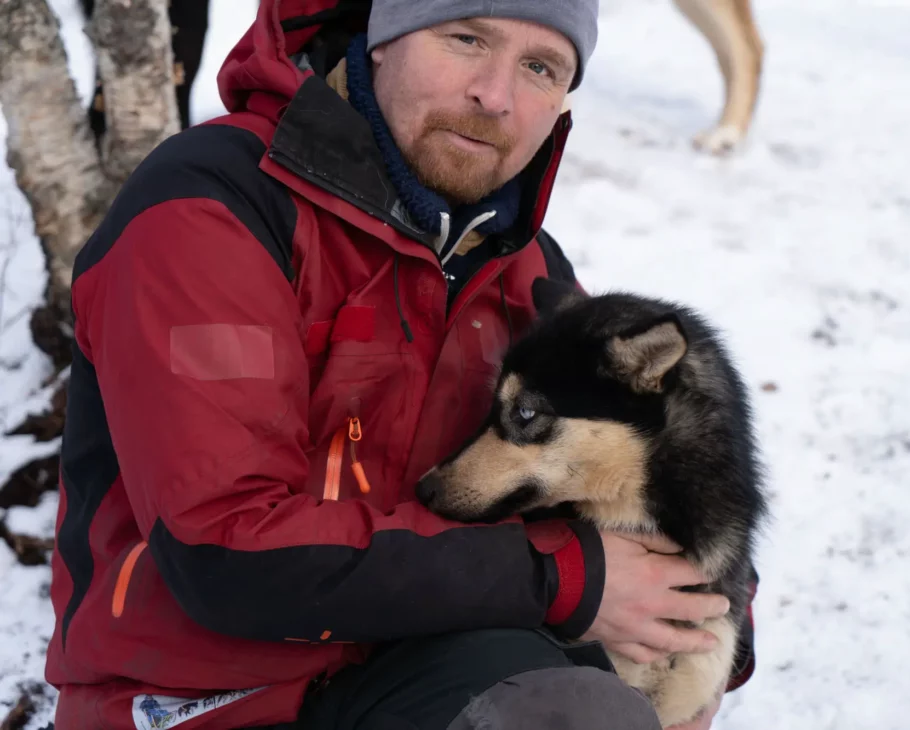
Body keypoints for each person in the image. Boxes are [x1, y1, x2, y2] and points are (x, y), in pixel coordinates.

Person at [43, 1, 759, 728]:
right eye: (466, 37)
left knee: (575, 711)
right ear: (379, 41)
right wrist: (565, 576)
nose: (495, 93)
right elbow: (225, 550)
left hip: (428, 662)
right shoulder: (212, 212)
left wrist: (696, 624)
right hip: (204, 697)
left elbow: (654, 451)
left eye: (541, 67)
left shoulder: (522, 264)